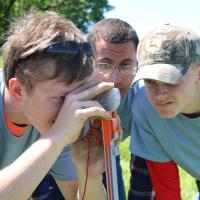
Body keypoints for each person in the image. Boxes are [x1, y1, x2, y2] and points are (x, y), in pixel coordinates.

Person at [0, 9, 114, 200]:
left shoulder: (57, 123)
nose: (73, 109)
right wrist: (56, 137)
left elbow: (75, 195)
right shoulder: (58, 129)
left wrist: (90, 176)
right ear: (18, 90)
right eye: (61, 98)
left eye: (77, 96)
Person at [120, 23, 200, 200]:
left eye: (171, 80)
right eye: (150, 81)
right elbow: (166, 190)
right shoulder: (145, 108)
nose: (158, 95)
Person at [87, 18, 140, 199]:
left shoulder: (144, 99)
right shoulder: (64, 92)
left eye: (126, 65)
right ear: (87, 62)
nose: (115, 79)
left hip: (108, 153)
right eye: (104, 65)